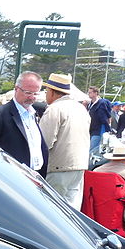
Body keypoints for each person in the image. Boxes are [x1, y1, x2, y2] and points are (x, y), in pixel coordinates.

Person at [0, 71, 48, 177]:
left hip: (35, 176)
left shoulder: (34, 114)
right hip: (9, 178)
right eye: (28, 93)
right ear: (16, 89)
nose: (32, 97)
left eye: (36, 93)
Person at [39, 73, 90, 209]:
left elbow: (44, 142)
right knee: (72, 211)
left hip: (58, 166)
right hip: (79, 166)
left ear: (52, 92)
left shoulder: (54, 109)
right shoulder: (80, 108)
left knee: (52, 209)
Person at [87, 86, 112, 157]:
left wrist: (107, 126)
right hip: (91, 128)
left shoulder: (102, 103)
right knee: (91, 147)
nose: (88, 94)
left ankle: (89, 165)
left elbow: (108, 115)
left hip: (100, 128)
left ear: (95, 93)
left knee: (93, 148)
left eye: (90, 92)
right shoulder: (90, 104)